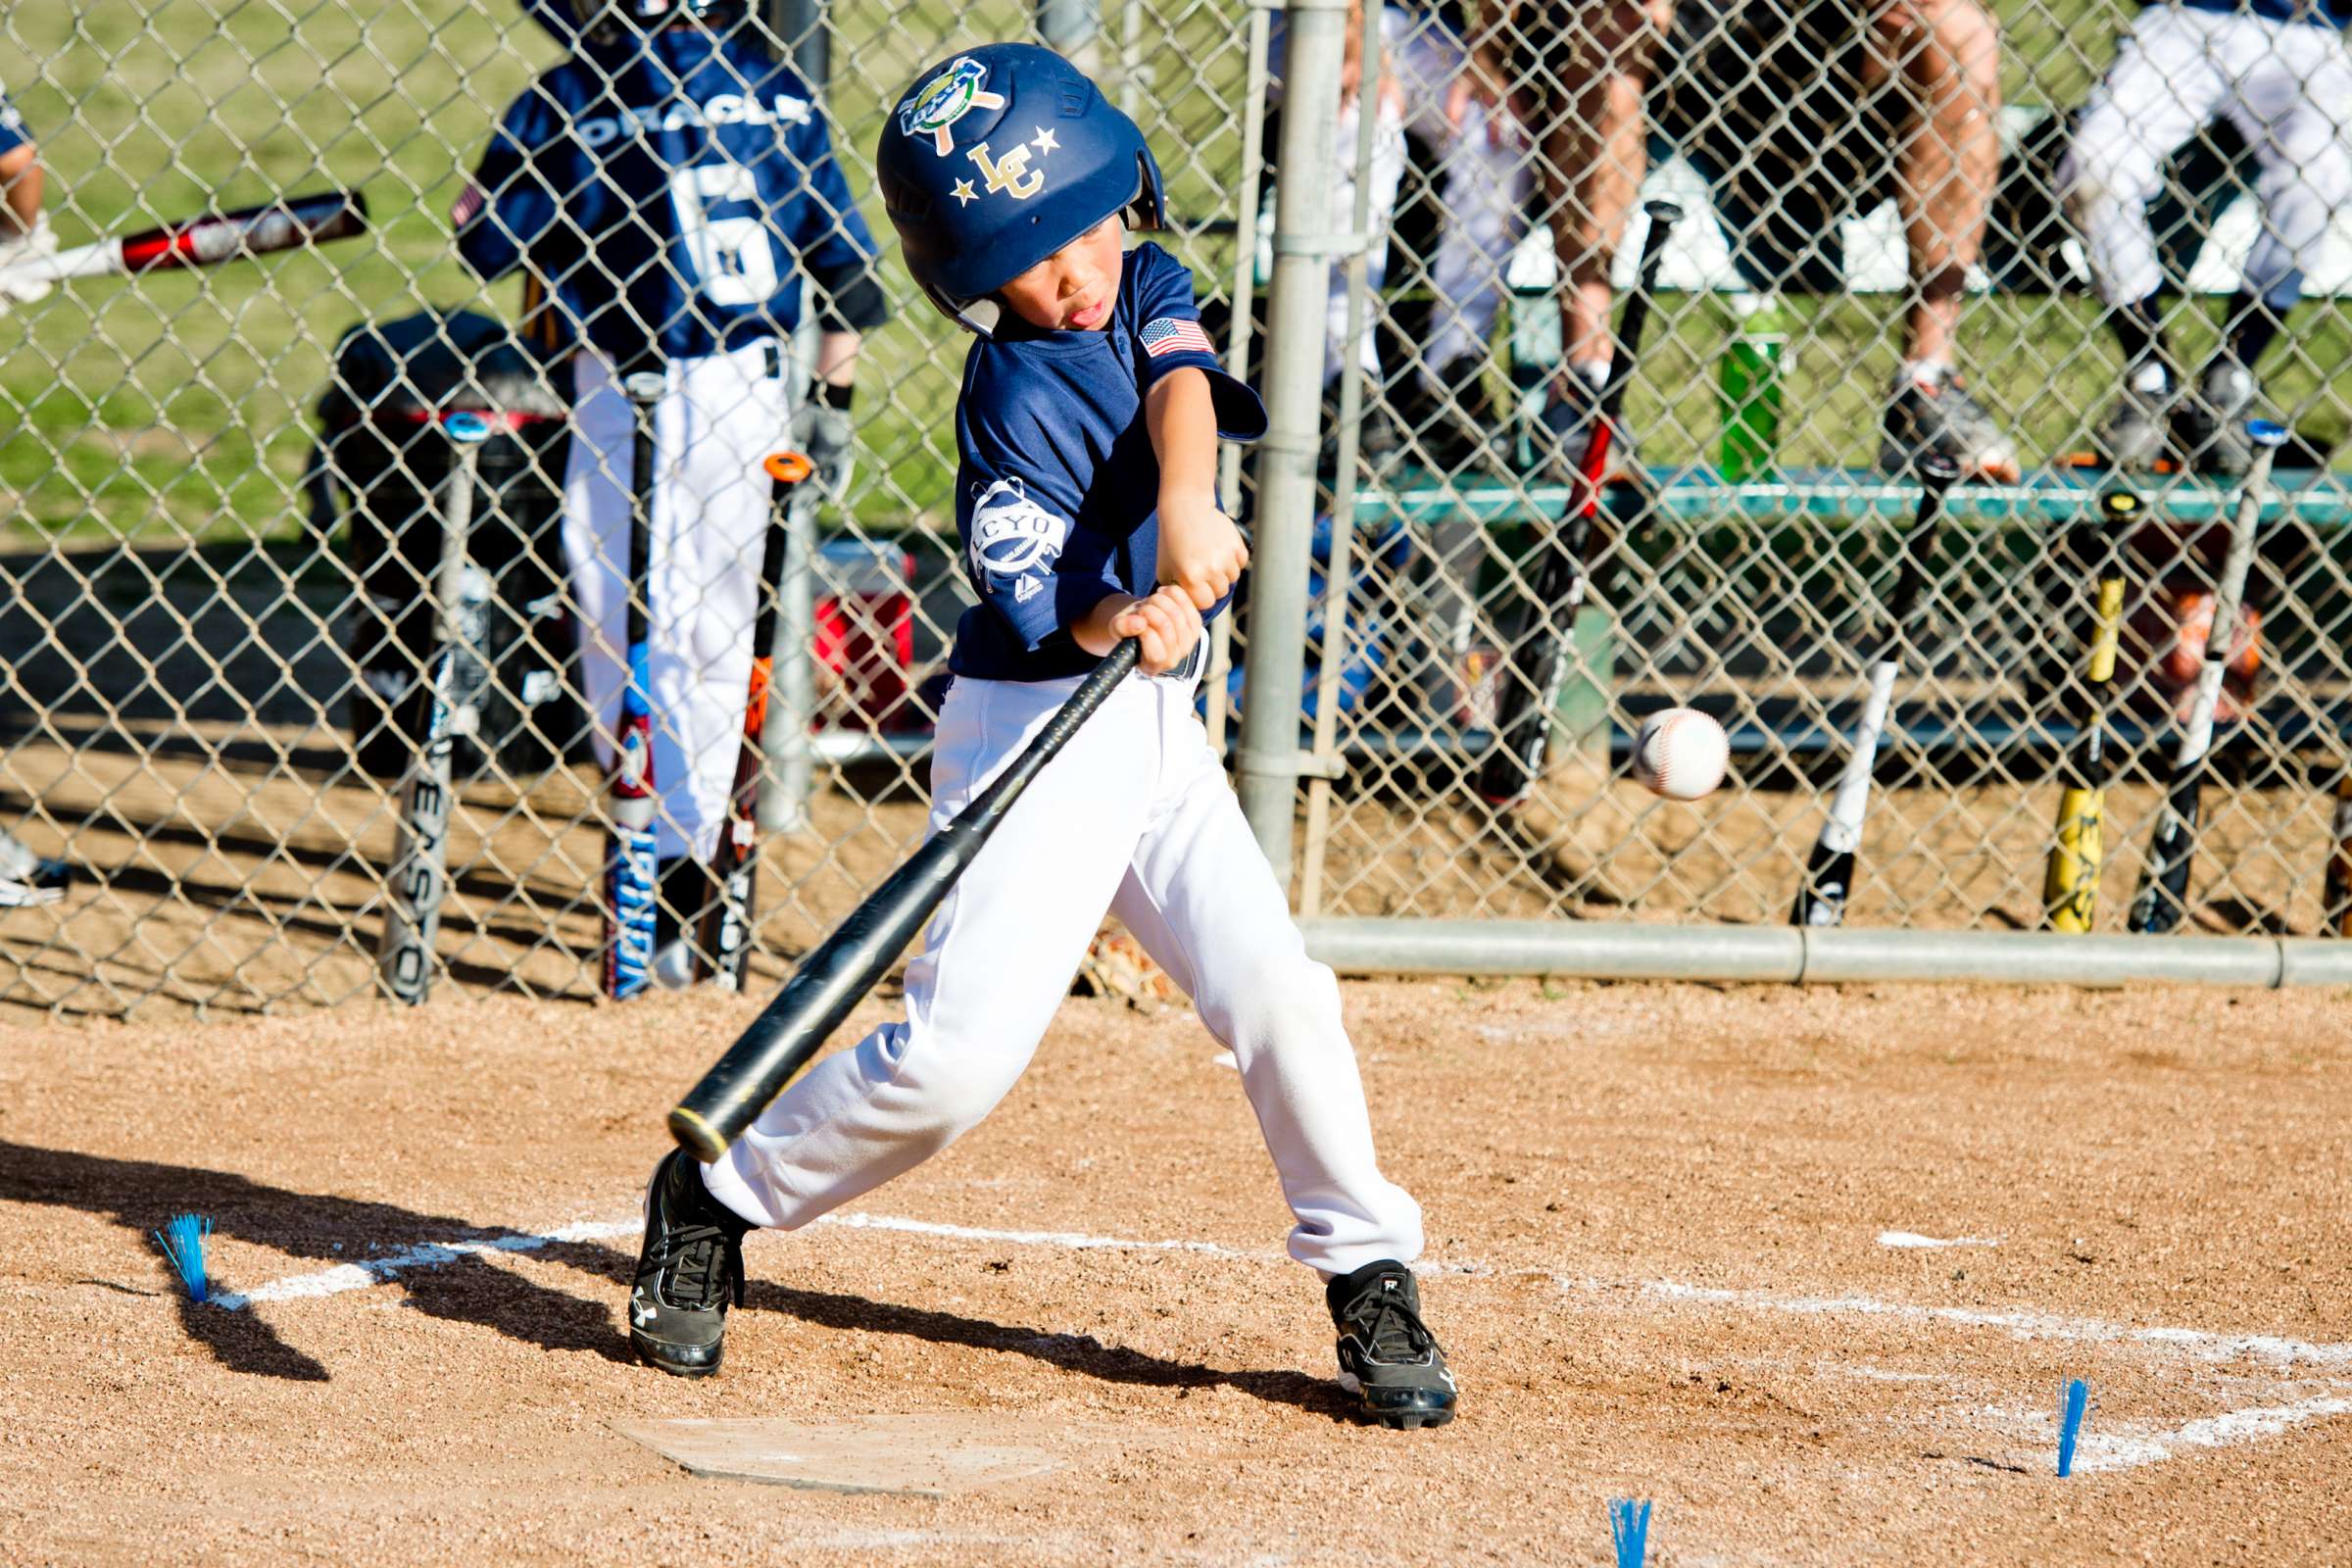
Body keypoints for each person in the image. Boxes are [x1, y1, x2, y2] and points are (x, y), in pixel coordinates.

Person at [623, 43, 1459, 1432]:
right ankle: (717, 1192)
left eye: (1085, 224)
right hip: (1032, 739)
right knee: (953, 1068)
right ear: (972, 276)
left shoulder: (1144, 283)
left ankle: (1368, 1262)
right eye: (1031, 252)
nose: (1075, 269)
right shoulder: (1004, 396)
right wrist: (1121, 608)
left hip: (1155, 731)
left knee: (1281, 996)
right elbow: (1030, 594)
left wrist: (1187, 511)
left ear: (1125, 195)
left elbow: (1181, 385)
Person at [457, 0, 884, 987]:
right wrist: (833, 404)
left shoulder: (566, 94)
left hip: (621, 386)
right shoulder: (780, 90)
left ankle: (653, 870)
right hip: (751, 388)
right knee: (724, 642)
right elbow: (850, 284)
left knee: (622, 636)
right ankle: (702, 884)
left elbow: (480, 244)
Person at [1512, 0, 2021, 481]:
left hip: (1816, 48)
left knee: (1960, 28)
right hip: (1674, 42)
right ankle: (1586, 382)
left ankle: (1926, 384)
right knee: (1618, 17)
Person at [2058, 0, 2352, 472]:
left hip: (2306, 27)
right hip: (2183, 17)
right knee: (2094, 167)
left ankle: (2231, 375)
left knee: (2320, 178)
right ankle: (2150, 376)